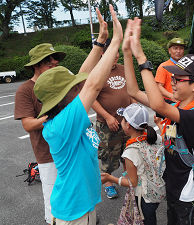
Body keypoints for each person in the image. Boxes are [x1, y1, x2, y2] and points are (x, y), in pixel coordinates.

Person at [33, 5, 123, 225]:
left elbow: (84, 77)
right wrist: (116, 41)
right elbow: (91, 85)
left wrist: (100, 42)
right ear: (63, 96)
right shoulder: (62, 124)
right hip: (73, 213)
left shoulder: (66, 113)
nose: (77, 89)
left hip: (84, 205)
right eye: (72, 88)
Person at [122, 18, 194, 225]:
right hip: (174, 189)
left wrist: (141, 58)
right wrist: (127, 53)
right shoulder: (178, 109)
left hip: (189, 197)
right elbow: (134, 92)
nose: (171, 82)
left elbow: (157, 103)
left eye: (178, 79)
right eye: (171, 77)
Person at [14, 43, 66, 224]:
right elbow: (28, 124)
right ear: (37, 65)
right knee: (53, 199)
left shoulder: (60, 84)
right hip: (47, 154)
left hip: (70, 149)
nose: (54, 67)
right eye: (49, 65)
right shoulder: (26, 90)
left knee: (73, 191)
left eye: (55, 65)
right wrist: (48, 119)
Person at [101, 103, 165, 225]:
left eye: (123, 120)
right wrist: (159, 124)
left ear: (128, 125)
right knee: (151, 218)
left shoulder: (130, 152)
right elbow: (165, 140)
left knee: (147, 220)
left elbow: (132, 182)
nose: (121, 123)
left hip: (145, 197)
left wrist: (111, 178)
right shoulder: (152, 136)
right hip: (158, 190)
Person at [92, 39, 132, 199]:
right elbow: (92, 99)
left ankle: (129, 179)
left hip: (127, 122)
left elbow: (131, 91)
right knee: (107, 156)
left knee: (128, 152)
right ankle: (107, 184)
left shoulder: (123, 69)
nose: (116, 56)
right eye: (112, 52)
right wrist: (108, 117)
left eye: (117, 52)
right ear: (103, 53)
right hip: (107, 125)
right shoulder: (97, 71)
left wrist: (135, 109)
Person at [155, 37, 185, 103]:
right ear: (169, 51)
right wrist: (172, 96)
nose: (178, 51)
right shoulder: (163, 66)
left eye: (181, 48)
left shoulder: (186, 66)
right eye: (175, 48)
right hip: (167, 102)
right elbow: (158, 86)